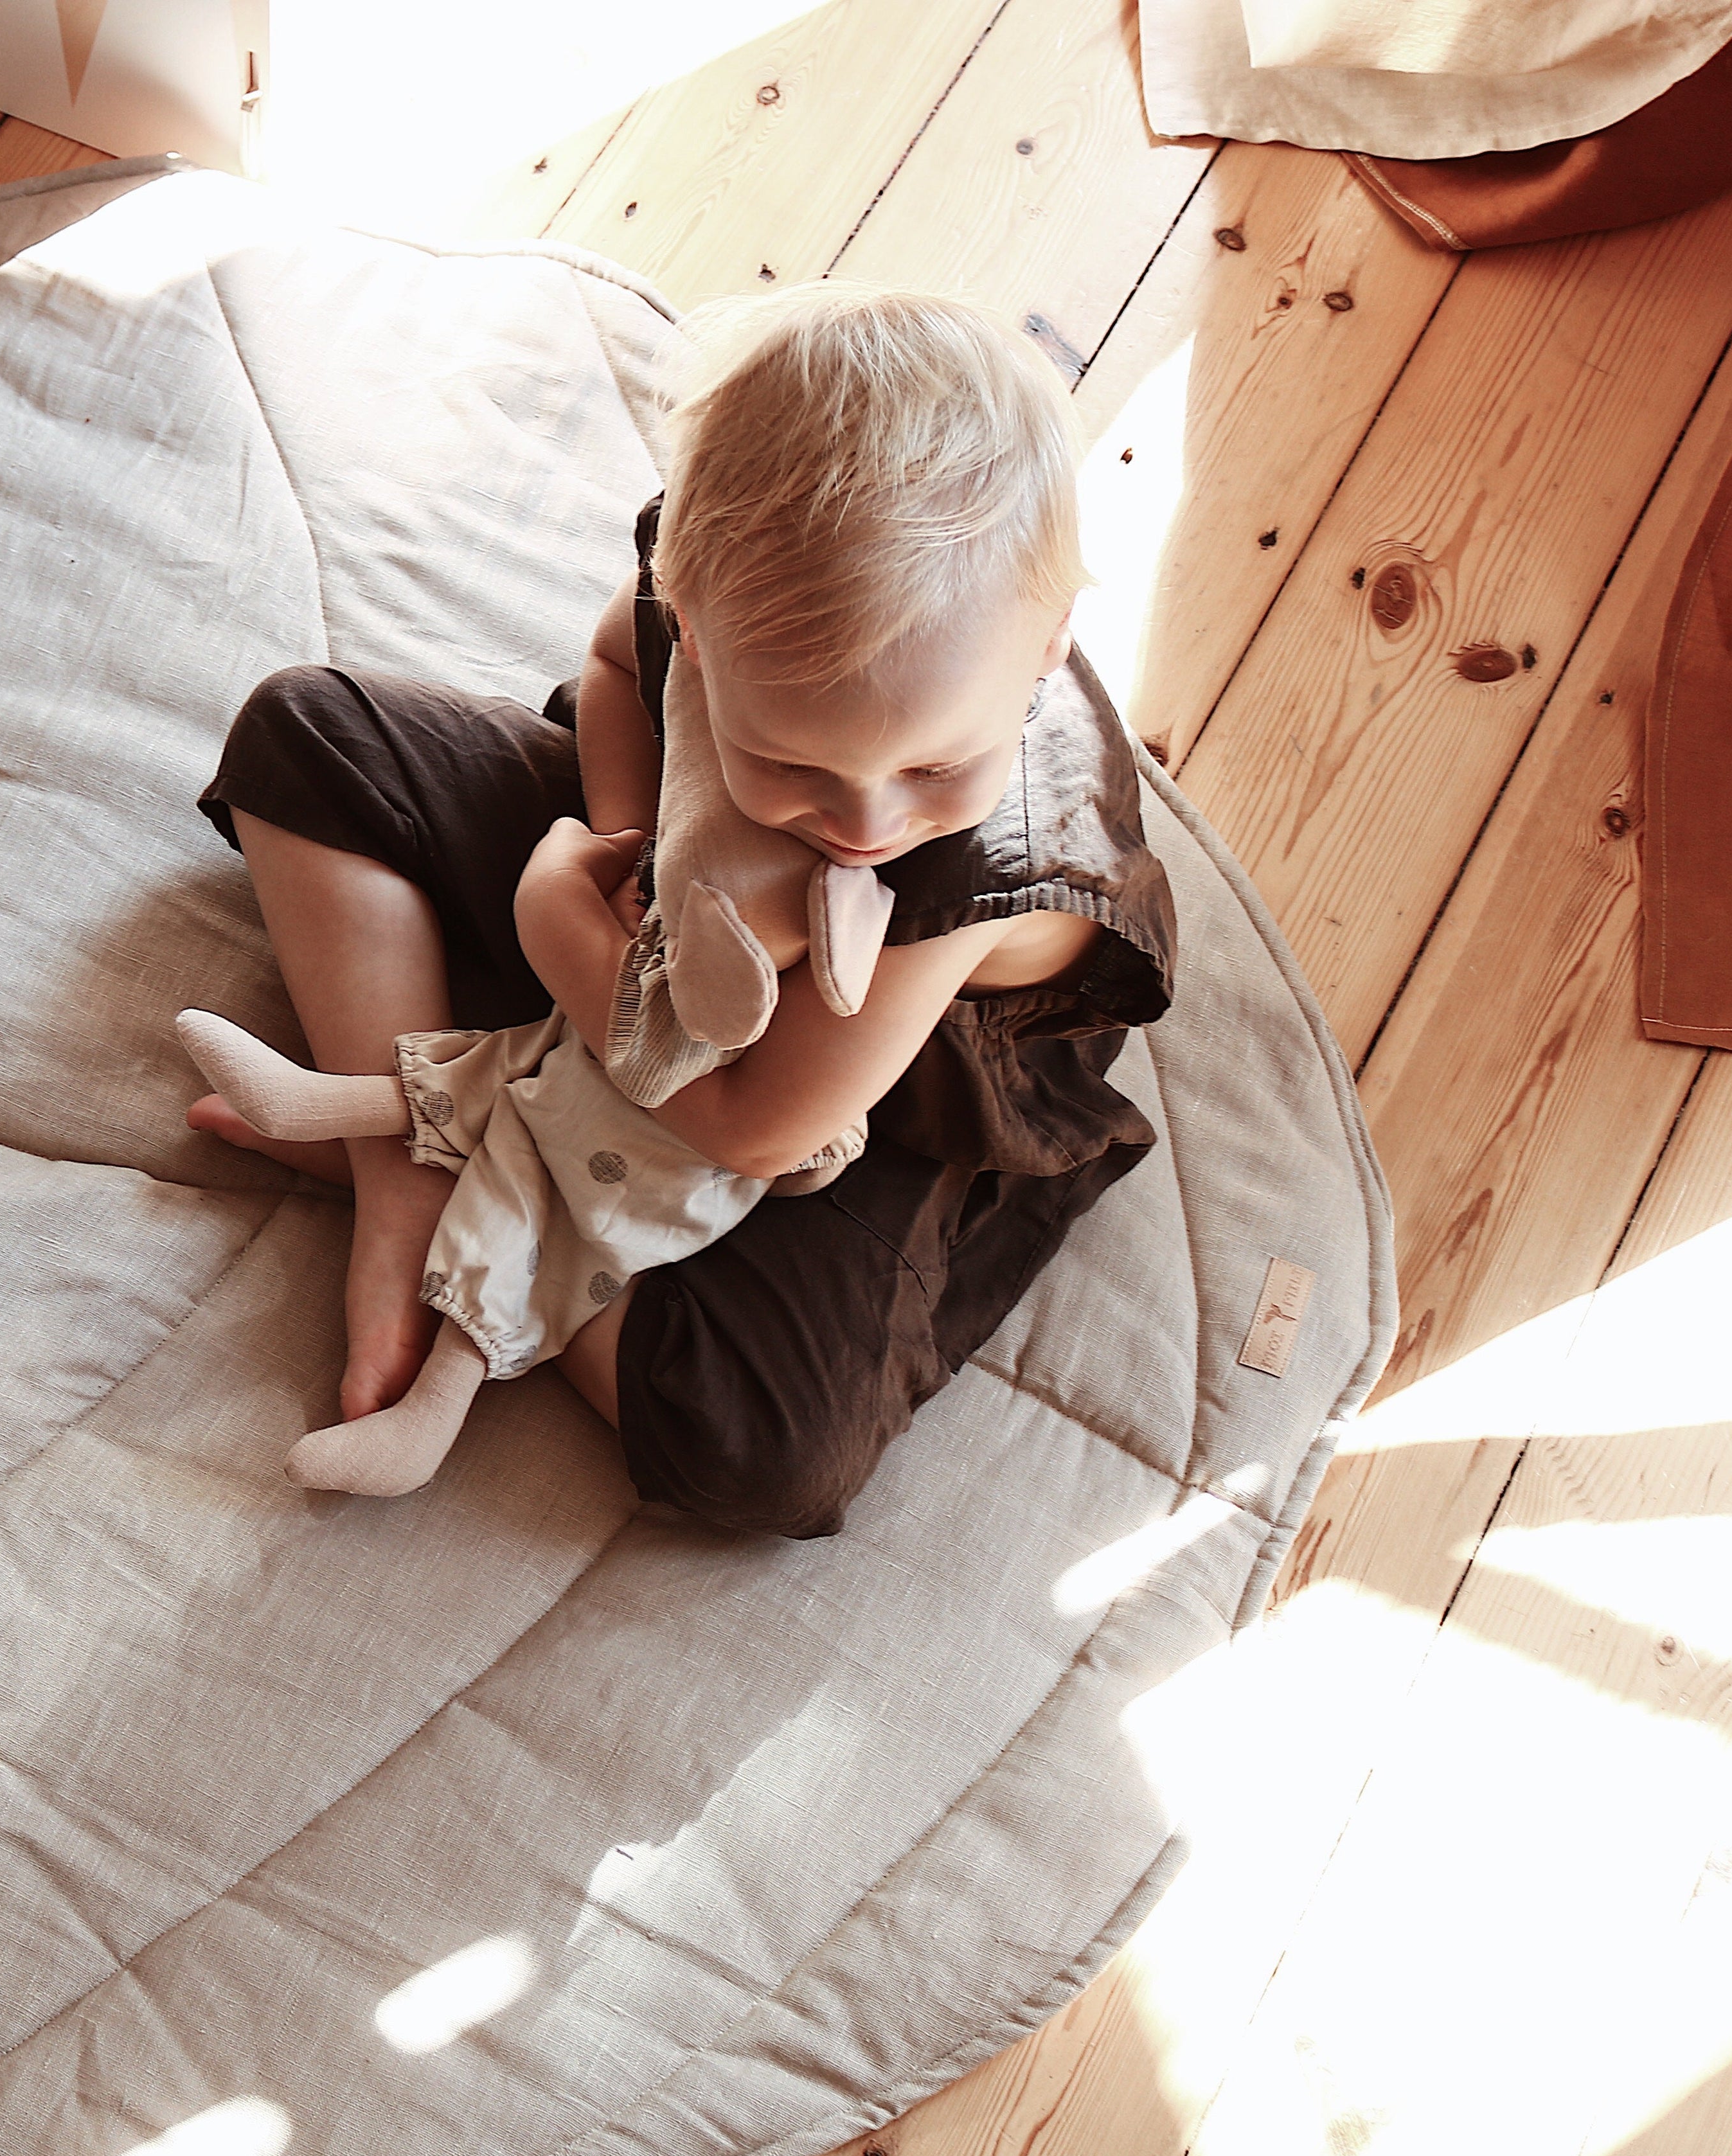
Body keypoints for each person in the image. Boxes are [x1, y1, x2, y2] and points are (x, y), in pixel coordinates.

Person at [186, 281, 1176, 1538]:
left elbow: (758, 1129)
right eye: (793, 767)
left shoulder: (986, 849)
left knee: (762, 1447)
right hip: (678, 927)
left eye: (930, 767)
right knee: (306, 735)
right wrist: (623, 848)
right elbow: (611, 668)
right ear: (699, 625)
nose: (866, 821)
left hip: (882, 1080)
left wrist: (561, 926)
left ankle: (502, 1209)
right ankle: (406, 1173)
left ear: (1051, 644)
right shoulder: (707, 590)